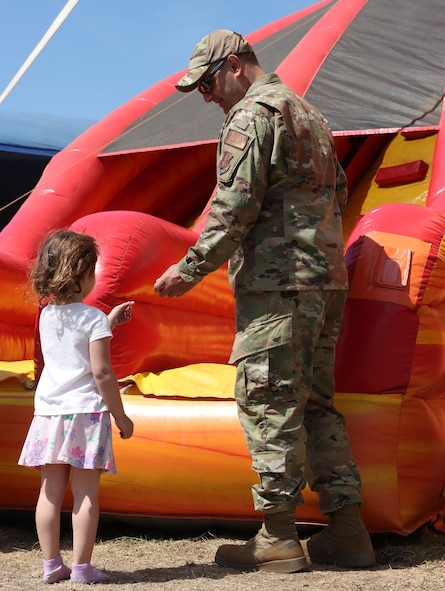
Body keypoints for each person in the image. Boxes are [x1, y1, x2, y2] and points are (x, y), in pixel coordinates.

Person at [154, 30, 377, 573]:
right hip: (323, 281)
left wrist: (188, 270)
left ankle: (277, 535)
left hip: (277, 287)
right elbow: (340, 195)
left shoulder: (252, 116)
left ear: (234, 65)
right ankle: (347, 530)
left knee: (269, 399)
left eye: (208, 84)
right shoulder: (310, 115)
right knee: (317, 405)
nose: (207, 97)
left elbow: (234, 206)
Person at [18, 230, 134, 585]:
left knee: (49, 493)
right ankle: (82, 568)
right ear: (84, 273)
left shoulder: (47, 315)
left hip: (49, 413)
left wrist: (108, 323)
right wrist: (120, 414)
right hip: (85, 414)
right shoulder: (93, 318)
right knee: (86, 494)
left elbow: (70, 349)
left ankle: (52, 565)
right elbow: (100, 370)